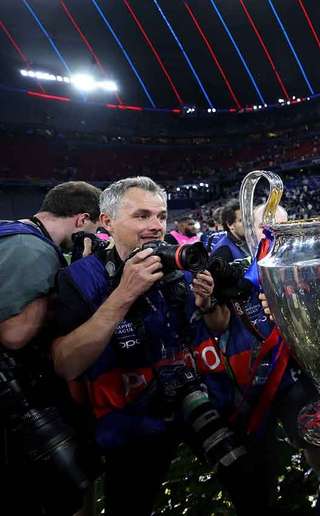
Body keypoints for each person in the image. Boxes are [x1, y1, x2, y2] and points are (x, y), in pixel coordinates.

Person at [49, 177, 258, 515]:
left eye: (161, 216)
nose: (155, 226)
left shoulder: (182, 259)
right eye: (142, 216)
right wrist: (122, 296)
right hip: (132, 420)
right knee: (130, 502)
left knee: (249, 482)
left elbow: (217, 325)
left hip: (201, 396)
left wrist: (206, 304)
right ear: (107, 221)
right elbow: (66, 364)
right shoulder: (81, 277)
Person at [0, 181, 101, 516]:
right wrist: (62, 287)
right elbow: (14, 334)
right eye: (94, 229)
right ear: (82, 219)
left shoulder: (13, 232)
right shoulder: (34, 249)